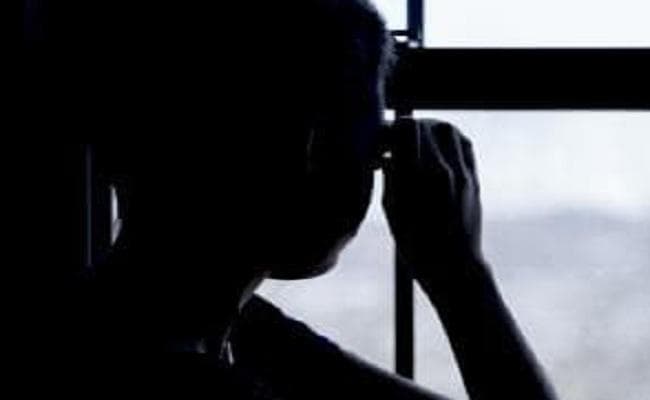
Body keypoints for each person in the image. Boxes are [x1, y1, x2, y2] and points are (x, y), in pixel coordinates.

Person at [22, 0, 558, 399]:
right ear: (313, 149)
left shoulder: (212, 330)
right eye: (371, 148)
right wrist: (462, 278)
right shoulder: (218, 361)